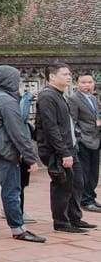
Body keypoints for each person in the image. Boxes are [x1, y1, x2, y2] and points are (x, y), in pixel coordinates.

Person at [0, 65, 45, 242]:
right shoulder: (7, 102)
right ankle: (18, 228)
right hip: (4, 152)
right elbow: (18, 133)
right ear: (10, 80)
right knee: (11, 190)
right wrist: (31, 158)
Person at [36, 64, 94, 234]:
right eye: (65, 74)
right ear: (52, 77)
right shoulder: (47, 96)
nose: (69, 77)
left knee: (77, 183)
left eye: (69, 74)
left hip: (70, 147)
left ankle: (74, 218)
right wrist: (63, 153)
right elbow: (50, 127)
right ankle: (61, 222)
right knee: (62, 184)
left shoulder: (60, 96)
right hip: (58, 151)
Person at [69, 71, 101, 213]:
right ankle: (85, 199)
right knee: (84, 171)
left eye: (89, 82)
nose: (87, 85)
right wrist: (79, 138)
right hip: (84, 140)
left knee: (94, 171)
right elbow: (73, 121)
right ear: (77, 84)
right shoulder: (74, 99)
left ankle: (91, 196)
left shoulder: (93, 99)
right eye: (83, 82)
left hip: (96, 138)